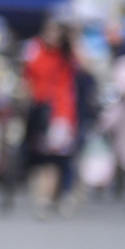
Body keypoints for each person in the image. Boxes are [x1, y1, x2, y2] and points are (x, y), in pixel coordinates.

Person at [18, 17, 84, 216]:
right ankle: (45, 197)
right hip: (41, 109)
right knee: (43, 156)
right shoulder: (34, 49)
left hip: (62, 111)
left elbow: (84, 65)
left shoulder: (67, 54)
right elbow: (27, 77)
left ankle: (52, 197)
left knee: (57, 157)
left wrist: (72, 39)